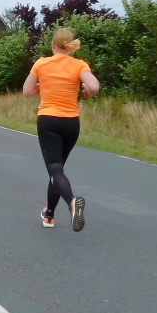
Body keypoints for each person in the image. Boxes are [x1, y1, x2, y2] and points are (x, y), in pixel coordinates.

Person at [22, 27, 99, 232]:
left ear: (53, 45)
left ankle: (72, 202)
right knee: (57, 170)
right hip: (71, 122)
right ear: (70, 46)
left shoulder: (41, 63)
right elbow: (93, 86)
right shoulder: (79, 64)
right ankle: (49, 214)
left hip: (48, 119)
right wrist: (87, 92)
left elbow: (27, 91)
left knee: (55, 169)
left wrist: (43, 85)